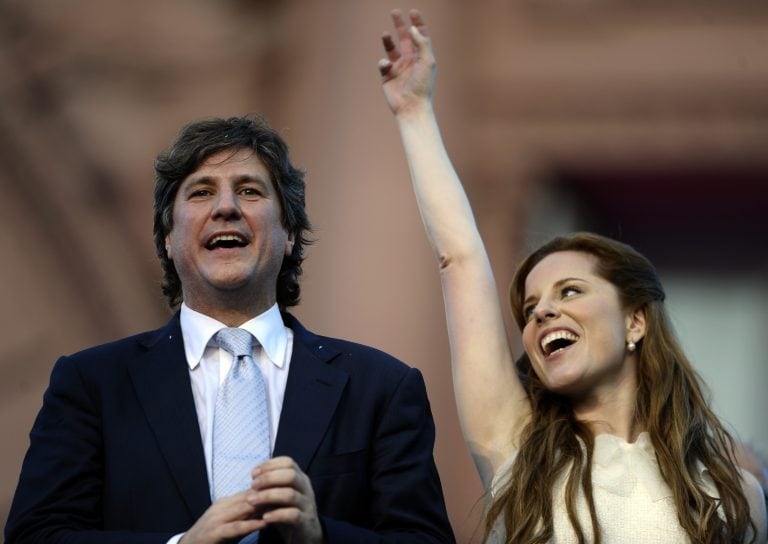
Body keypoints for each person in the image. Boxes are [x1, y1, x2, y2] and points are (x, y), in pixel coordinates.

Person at [377, 9, 767, 543]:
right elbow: (460, 257)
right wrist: (414, 111)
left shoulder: (729, 490)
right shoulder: (514, 444)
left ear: (635, 322)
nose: (541, 311)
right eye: (531, 305)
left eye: (570, 291)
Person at [5, 114, 455, 544]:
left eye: (250, 191)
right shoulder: (92, 385)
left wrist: (319, 535)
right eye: (201, 192)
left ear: (290, 233)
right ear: (167, 236)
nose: (226, 207)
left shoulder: (381, 388)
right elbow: (35, 535)